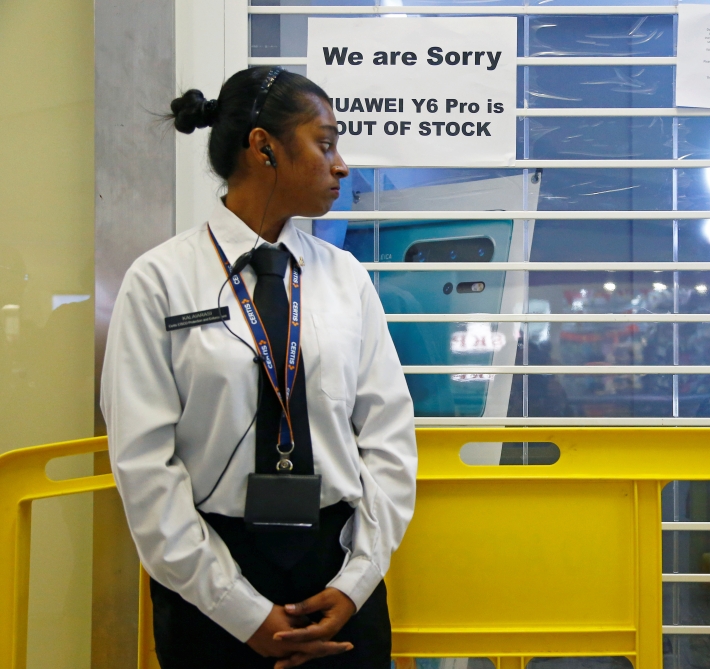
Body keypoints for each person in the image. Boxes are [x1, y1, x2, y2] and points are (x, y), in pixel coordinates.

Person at [100, 66, 417, 668]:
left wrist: (357, 581)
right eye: (324, 143)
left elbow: (388, 436)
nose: (341, 164)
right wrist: (241, 612)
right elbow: (144, 463)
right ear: (263, 147)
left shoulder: (344, 278)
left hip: (338, 571)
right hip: (209, 576)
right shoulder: (161, 279)